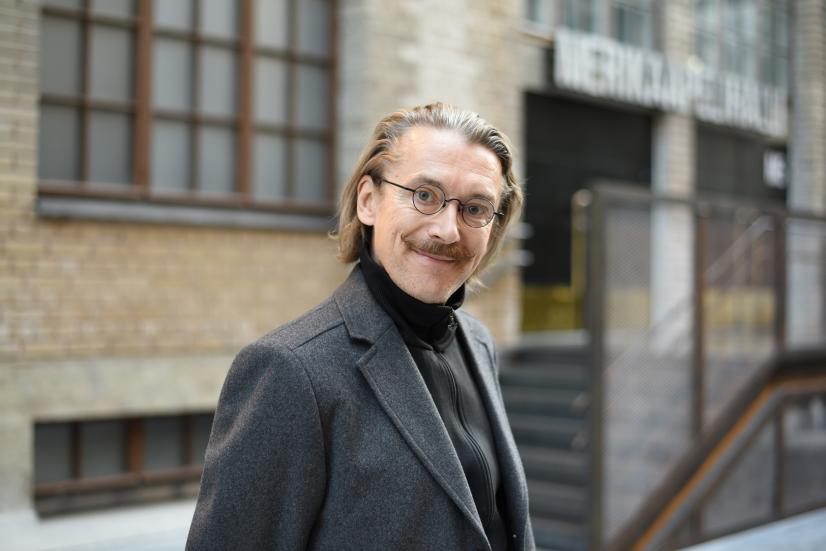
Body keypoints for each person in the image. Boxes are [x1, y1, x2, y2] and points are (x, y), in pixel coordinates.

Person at [186, 103, 533, 551]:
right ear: (368, 201)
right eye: (425, 195)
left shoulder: (479, 343)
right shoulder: (290, 371)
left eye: (475, 208)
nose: (448, 229)